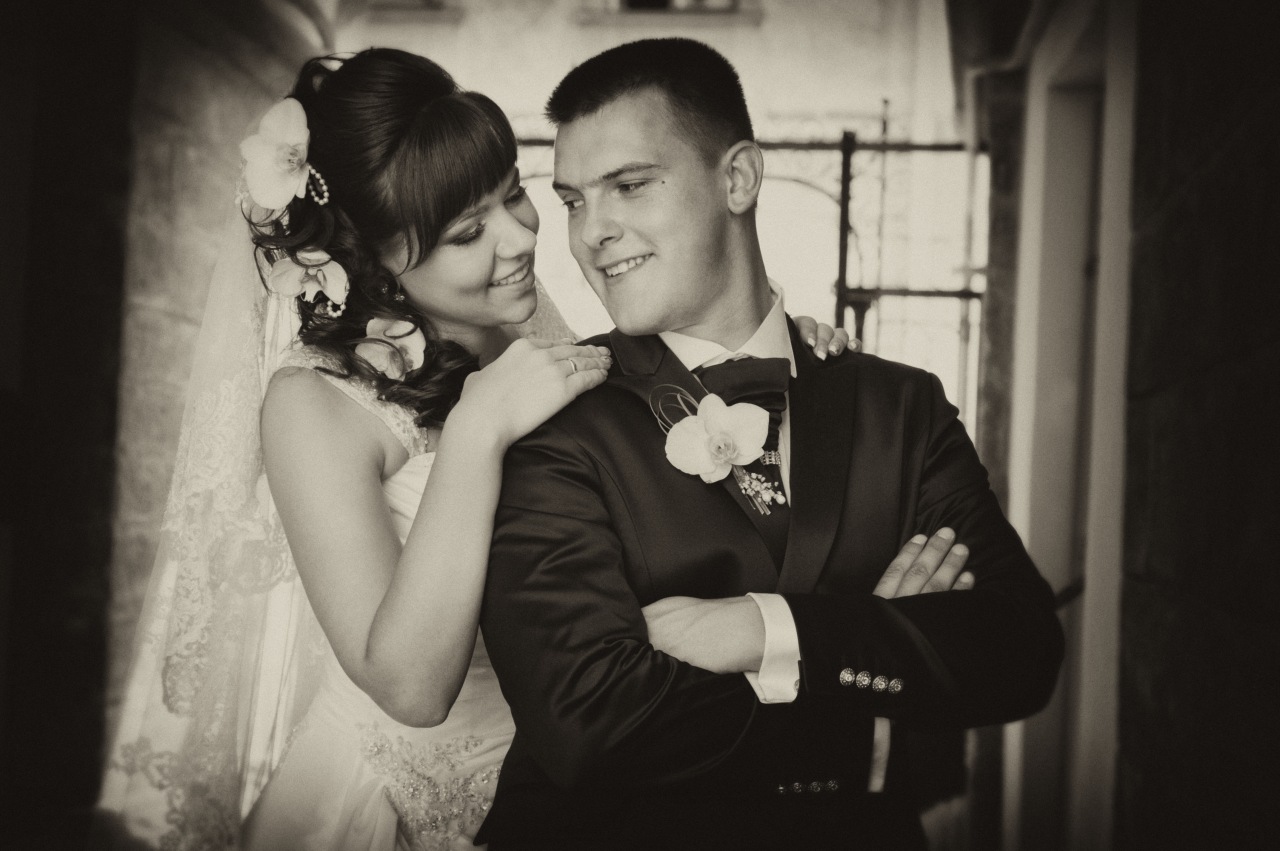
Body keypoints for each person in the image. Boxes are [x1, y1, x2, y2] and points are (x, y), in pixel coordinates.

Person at [94, 48, 863, 851]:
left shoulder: (540, 338)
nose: (520, 237)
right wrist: (474, 432)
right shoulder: (313, 401)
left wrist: (776, 351)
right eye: (468, 232)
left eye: (514, 194)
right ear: (376, 259)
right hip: (387, 805)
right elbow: (409, 686)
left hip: (571, 787)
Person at [478, 37, 1065, 850]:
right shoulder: (553, 421)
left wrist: (763, 629)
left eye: (630, 185)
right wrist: (873, 712)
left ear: (739, 179)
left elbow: (1018, 648)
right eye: (574, 201)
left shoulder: (901, 407)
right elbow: (590, 721)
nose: (591, 233)